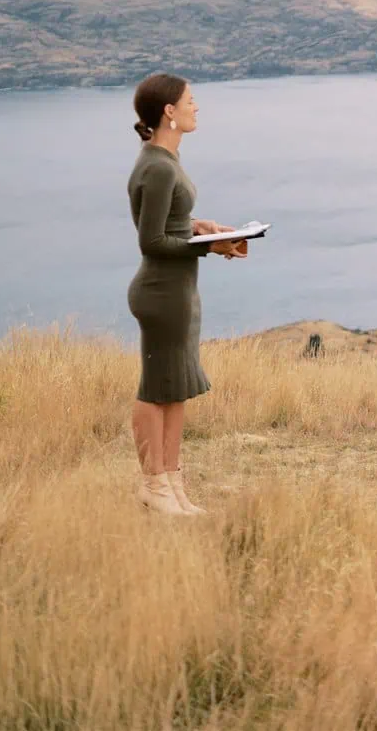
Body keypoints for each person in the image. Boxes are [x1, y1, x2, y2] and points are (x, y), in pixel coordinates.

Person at [125, 73, 245, 516]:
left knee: (175, 387)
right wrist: (210, 247)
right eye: (190, 101)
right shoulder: (156, 166)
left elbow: (169, 223)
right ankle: (153, 485)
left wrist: (200, 227)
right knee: (155, 388)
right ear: (169, 112)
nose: (197, 107)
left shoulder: (165, 160)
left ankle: (172, 481)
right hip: (160, 292)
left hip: (178, 290)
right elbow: (151, 241)